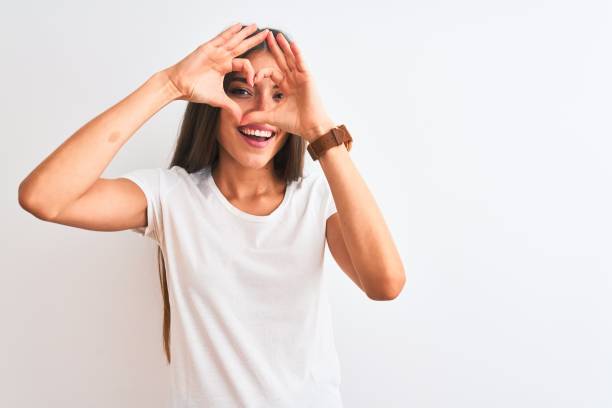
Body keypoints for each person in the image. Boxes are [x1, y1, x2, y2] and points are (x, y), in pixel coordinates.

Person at [18, 22, 405, 407]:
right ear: (212, 103)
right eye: (242, 92)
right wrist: (169, 85)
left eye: (278, 96)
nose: (260, 112)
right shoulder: (171, 197)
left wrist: (320, 129)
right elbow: (44, 197)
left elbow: (384, 284)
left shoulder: (315, 200)